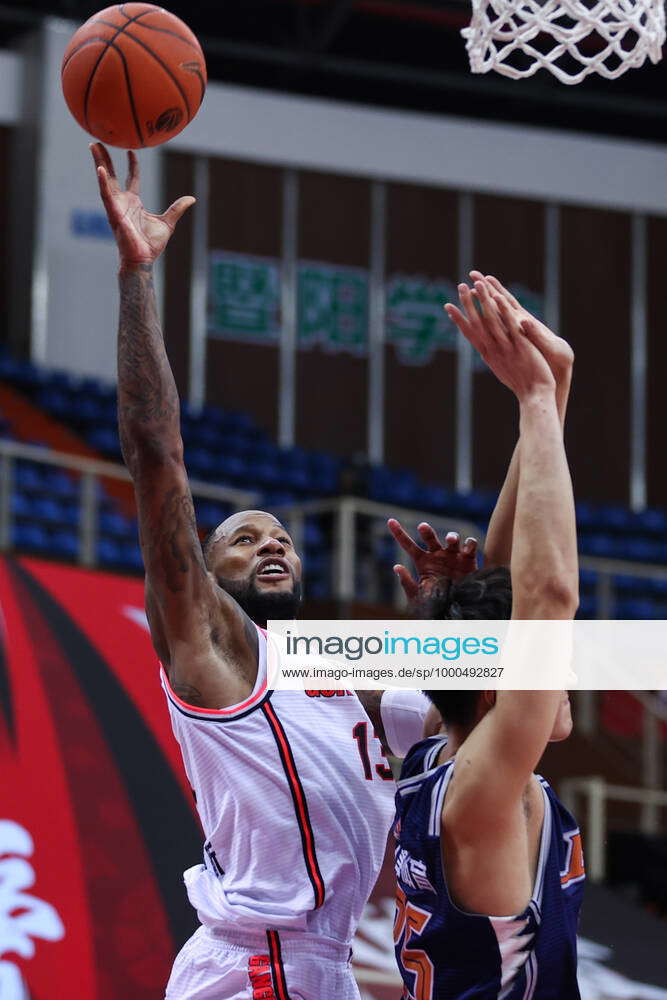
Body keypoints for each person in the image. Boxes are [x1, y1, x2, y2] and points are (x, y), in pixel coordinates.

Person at [90, 141, 461, 1000]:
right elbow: (155, 455)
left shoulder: (338, 670)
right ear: (204, 578)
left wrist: (454, 614)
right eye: (243, 539)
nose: (272, 545)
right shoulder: (219, 651)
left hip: (318, 964)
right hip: (258, 962)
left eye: (282, 539)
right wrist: (137, 277)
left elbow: (508, 700)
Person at [393, 275, 584, 999]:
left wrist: (551, 394)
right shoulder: (480, 789)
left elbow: (509, 589)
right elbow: (546, 595)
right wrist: (535, 401)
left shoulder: (443, 755)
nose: (562, 676)